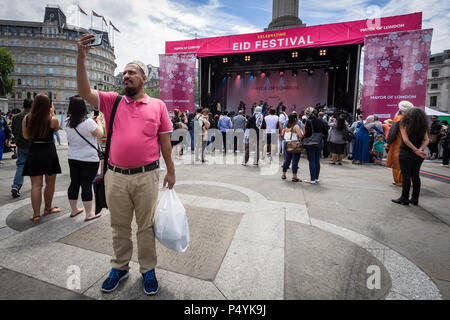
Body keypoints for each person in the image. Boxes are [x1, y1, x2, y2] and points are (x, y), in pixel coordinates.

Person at [77, 33, 175, 295]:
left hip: (148, 176)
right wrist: (81, 58)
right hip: (116, 176)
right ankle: (120, 267)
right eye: (124, 73)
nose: (126, 76)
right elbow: (85, 92)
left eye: (132, 73)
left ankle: (148, 270)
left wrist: (171, 173)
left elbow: (165, 142)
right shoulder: (113, 101)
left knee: (146, 227)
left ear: (143, 78)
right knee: (118, 226)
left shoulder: (158, 106)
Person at [21, 94, 62, 223]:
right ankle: (48, 208)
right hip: (49, 151)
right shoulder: (52, 119)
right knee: (50, 183)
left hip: (34, 151)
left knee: (36, 185)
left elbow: (26, 136)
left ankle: (36, 214)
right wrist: (53, 113)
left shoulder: (27, 118)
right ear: (48, 105)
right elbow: (57, 128)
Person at [65, 96, 104, 221]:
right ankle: (89, 214)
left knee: (74, 183)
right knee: (86, 184)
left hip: (73, 157)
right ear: (83, 108)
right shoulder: (89, 123)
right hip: (89, 159)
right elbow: (100, 134)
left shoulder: (67, 122)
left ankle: (74, 210)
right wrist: (97, 123)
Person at [392, 107, 429, 206]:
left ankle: (404, 198)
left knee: (406, 176)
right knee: (415, 175)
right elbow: (426, 140)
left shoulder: (404, 124)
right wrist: (420, 149)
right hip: (419, 154)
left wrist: (415, 150)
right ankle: (415, 198)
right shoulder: (423, 125)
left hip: (406, 152)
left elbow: (406, 140)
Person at [386, 101, 413, 186]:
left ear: (401, 109)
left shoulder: (398, 118)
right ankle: (409, 181)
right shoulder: (412, 119)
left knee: (397, 162)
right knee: (408, 163)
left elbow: (392, 133)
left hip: (398, 143)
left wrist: (388, 142)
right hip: (410, 144)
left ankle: (399, 181)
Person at [10, 98, 33, 198]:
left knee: (21, 165)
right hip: (33, 145)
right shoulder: (34, 116)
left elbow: (13, 131)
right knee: (34, 166)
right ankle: (36, 185)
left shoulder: (16, 117)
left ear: (23, 106)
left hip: (21, 144)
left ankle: (16, 185)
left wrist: (18, 141)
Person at [303, 107, 328, 184]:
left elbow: (307, 134)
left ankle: (312, 179)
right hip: (320, 142)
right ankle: (316, 178)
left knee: (312, 161)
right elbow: (325, 132)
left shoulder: (309, 121)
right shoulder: (321, 121)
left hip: (311, 143)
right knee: (317, 160)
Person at [281, 113, 304, 182]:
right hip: (295, 144)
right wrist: (302, 133)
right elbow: (300, 136)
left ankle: (283, 174)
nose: (298, 119)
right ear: (295, 119)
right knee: (295, 161)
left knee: (287, 160)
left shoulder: (287, 126)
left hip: (287, 144)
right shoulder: (296, 126)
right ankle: (294, 176)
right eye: (297, 118)